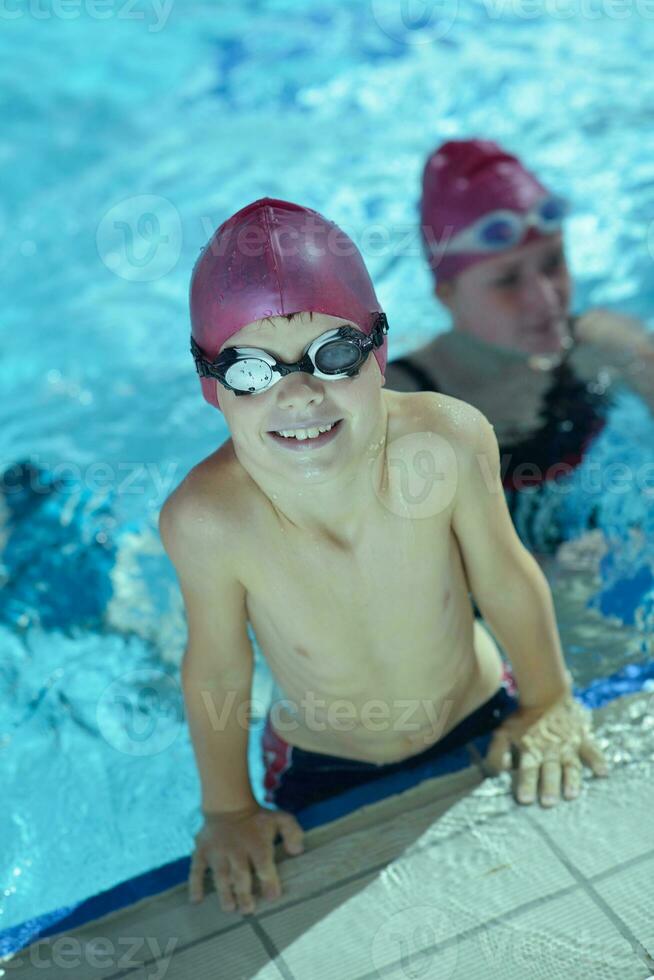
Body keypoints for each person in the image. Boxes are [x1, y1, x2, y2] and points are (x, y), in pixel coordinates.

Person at [158, 197, 609, 917]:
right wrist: (229, 810)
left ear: (379, 352)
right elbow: (217, 664)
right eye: (250, 372)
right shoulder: (209, 519)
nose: (298, 394)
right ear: (212, 385)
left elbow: (503, 573)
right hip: (323, 764)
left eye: (333, 355)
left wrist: (549, 700)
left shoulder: (448, 441)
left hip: (482, 708)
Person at [383, 139, 654, 554]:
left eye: (553, 263)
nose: (546, 299)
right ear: (446, 294)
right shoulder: (401, 403)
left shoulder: (601, 344)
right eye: (507, 281)